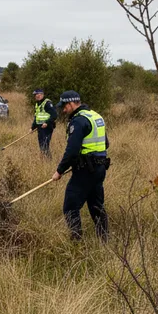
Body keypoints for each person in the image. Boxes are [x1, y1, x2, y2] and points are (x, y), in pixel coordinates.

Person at [51, 90, 109, 241]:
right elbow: (106, 143)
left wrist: (59, 171)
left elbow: (72, 151)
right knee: (97, 206)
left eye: (64, 106)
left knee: (70, 207)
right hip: (100, 169)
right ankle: (104, 240)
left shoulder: (78, 121)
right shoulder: (96, 116)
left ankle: (76, 243)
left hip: (85, 171)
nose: (63, 110)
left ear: (71, 104)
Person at [31, 88, 57, 157]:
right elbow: (36, 117)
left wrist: (47, 123)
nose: (36, 96)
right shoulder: (37, 104)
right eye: (35, 95)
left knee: (45, 145)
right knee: (41, 145)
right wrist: (32, 127)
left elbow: (54, 115)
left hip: (47, 128)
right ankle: (44, 160)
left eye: (38, 94)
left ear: (42, 94)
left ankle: (48, 161)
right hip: (40, 128)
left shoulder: (47, 103)